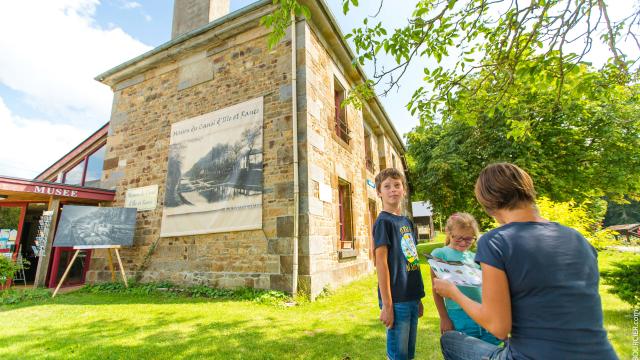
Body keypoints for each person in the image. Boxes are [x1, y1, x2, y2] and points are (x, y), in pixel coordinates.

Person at [433, 162, 618, 360]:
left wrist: (453, 292)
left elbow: (498, 327)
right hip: (601, 354)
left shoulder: (496, 241)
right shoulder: (578, 238)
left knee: (450, 340)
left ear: (488, 203)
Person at [373, 168, 425, 360]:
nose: (393, 189)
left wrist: (418, 297)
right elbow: (381, 264)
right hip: (396, 300)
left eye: (397, 185)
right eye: (386, 186)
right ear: (379, 192)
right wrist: (387, 305)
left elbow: (411, 260)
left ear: (403, 189)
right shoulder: (383, 222)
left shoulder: (406, 222)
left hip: (411, 297)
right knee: (398, 355)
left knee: (409, 354)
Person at [430, 212, 501, 345]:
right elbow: (436, 290)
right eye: (458, 238)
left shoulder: (475, 257)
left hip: (483, 314)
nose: (463, 243)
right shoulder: (439, 254)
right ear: (449, 232)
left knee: (490, 351)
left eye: (469, 239)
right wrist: (444, 317)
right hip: (458, 316)